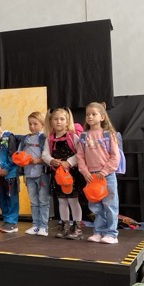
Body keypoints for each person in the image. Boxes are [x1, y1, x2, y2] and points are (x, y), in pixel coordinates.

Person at [76, 102, 121, 244]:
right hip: (91, 177)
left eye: (93, 114)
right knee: (95, 206)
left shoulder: (108, 134)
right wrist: (85, 172)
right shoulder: (83, 136)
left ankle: (111, 234)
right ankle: (98, 232)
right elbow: (80, 156)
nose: (90, 117)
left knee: (110, 205)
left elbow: (115, 157)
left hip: (107, 176)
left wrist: (104, 171)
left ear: (102, 117)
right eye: (87, 114)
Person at [42, 108, 84, 240]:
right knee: (61, 200)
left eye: (62, 119)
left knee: (73, 200)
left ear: (67, 121)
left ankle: (77, 227)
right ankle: (65, 225)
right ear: (51, 121)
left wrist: (69, 162)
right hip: (57, 175)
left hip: (71, 175)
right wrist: (51, 161)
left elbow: (80, 153)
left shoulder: (73, 137)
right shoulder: (49, 138)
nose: (58, 122)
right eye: (55, 119)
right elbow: (45, 154)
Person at [18, 112, 50, 236]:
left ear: (42, 124)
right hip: (29, 174)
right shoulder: (25, 139)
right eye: (30, 124)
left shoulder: (45, 138)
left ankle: (44, 226)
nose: (32, 126)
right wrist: (21, 160)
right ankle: (35, 225)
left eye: (35, 124)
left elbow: (49, 157)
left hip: (42, 174)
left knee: (43, 201)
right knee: (33, 201)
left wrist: (39, 160)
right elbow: (19, 153)